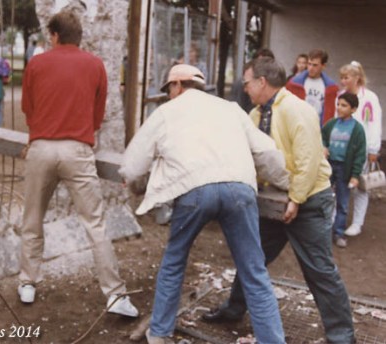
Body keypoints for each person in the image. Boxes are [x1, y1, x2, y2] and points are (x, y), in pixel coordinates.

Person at [120, 64, 288, 344]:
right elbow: (267, 153)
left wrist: (133, 181)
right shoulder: (230, 108)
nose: (168, 95)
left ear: (177, 86)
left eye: (168, 89)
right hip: (239, 188)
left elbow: (132, 163)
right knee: (254, 269)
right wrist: (285, 182)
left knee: (175, 260)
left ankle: (159, 333)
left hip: (195, 189)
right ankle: (272, 340)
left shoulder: (166, 113)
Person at [202, 57, 356, 344]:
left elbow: (308, 160)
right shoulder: (256, 115)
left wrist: (296, 199)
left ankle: (342, 337)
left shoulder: (297, 110)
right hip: (275, 198)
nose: (245, 88)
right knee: (252, 258)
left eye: (247, 82)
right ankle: (234, 309)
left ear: (262, 82)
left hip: (309, 200)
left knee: (319, 270)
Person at [18, 10, 138, 318]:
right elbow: (99, 112)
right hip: (78, 149)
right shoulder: (95, 64)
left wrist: (40, 132)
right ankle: (114, 295)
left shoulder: (37, 63)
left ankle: (28, 282)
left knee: (32, 218)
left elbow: (27, 109)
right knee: (94, 224)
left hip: (41, 148)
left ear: (55, 35)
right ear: (78, 36)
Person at [338, 61, 383, 237]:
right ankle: (337, 218)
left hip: (361, 148)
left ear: (357, 78)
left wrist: (373, 148)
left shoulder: (369, 98)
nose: (343, 81)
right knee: (340, 182)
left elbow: (373, 123)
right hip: (343, 146)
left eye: (346, 77)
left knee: (360, 185)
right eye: (341, 77)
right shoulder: (341, 96)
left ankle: (357, 222)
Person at [322, 92, 366, 248]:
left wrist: (355, 175)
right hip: (329, 166)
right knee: (323, 197)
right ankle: (321, 231)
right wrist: (323, 147)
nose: (339, 108)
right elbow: (322, 137)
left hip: (344, 169)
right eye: (338, 104)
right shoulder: (332, 124)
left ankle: (339, 232)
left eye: (344, 105)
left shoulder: (357, 129)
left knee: (342, 202)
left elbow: (360, 154)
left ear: (353, 109)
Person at [286, 49, 339, 127]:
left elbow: (331, 113)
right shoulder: (294, 83)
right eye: (309, 64)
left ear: (323, 66)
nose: (310, 68)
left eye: (315, 65)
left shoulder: (331, 87)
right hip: (297, 126)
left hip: (318, 128)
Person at [229, 48, 274, 112]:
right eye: (260, 64)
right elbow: (234, 111)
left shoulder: (272, 87)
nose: (263, 68)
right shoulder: (241, 84)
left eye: (266, 65)